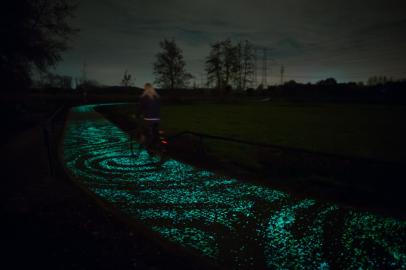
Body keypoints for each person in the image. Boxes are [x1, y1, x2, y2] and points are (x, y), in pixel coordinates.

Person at [139, 83, 160, 152]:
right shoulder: (157, 97)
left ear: (145, 89)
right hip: (157, 119)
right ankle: (155, 146)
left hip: (148, 119)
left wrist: (136, 114)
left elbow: (140, 108)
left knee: (144, 132)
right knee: (154, 133)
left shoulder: (144, 97)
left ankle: (143, 145)